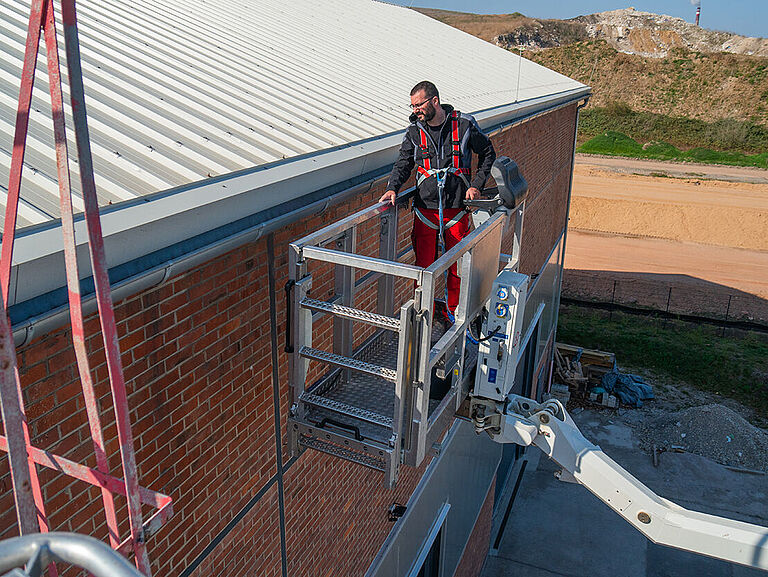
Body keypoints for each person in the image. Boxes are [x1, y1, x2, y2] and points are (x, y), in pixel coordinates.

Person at [380, 81, 496, 318]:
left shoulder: (464, 126)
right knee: (424, 267)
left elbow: (487, 153)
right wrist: (393, 188)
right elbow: (404, 163)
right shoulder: (414, 132)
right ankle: (425, 313)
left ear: (434, 101)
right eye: (412, 107)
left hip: (457, 210)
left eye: (419, 105)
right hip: (426, 210)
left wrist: (476, 186)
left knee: (457, 267)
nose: (415, 111)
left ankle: (454, 312)